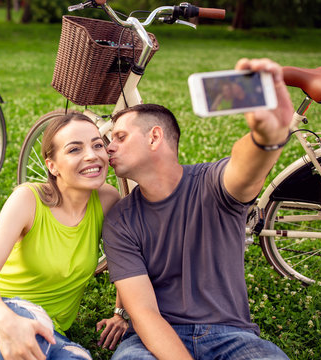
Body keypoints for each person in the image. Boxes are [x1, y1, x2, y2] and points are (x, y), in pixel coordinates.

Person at [102, 58, 292, 360]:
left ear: (154, 137)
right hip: (152, 340)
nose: (109, 147)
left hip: (232, 336)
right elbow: (145, 314)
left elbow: (244, 169)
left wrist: (266, 138)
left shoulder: (212, 183)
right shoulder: (120, 219)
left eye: (120, 137)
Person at [0, 113, 128, 360]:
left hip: (46, 331)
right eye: (75, 149)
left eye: (97, 145)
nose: (92, 155)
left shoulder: (107, 200)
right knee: (20, 338)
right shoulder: (29, 200)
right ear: (52, 165)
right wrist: (7, 322)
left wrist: (120, 312)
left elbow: (127, 258)